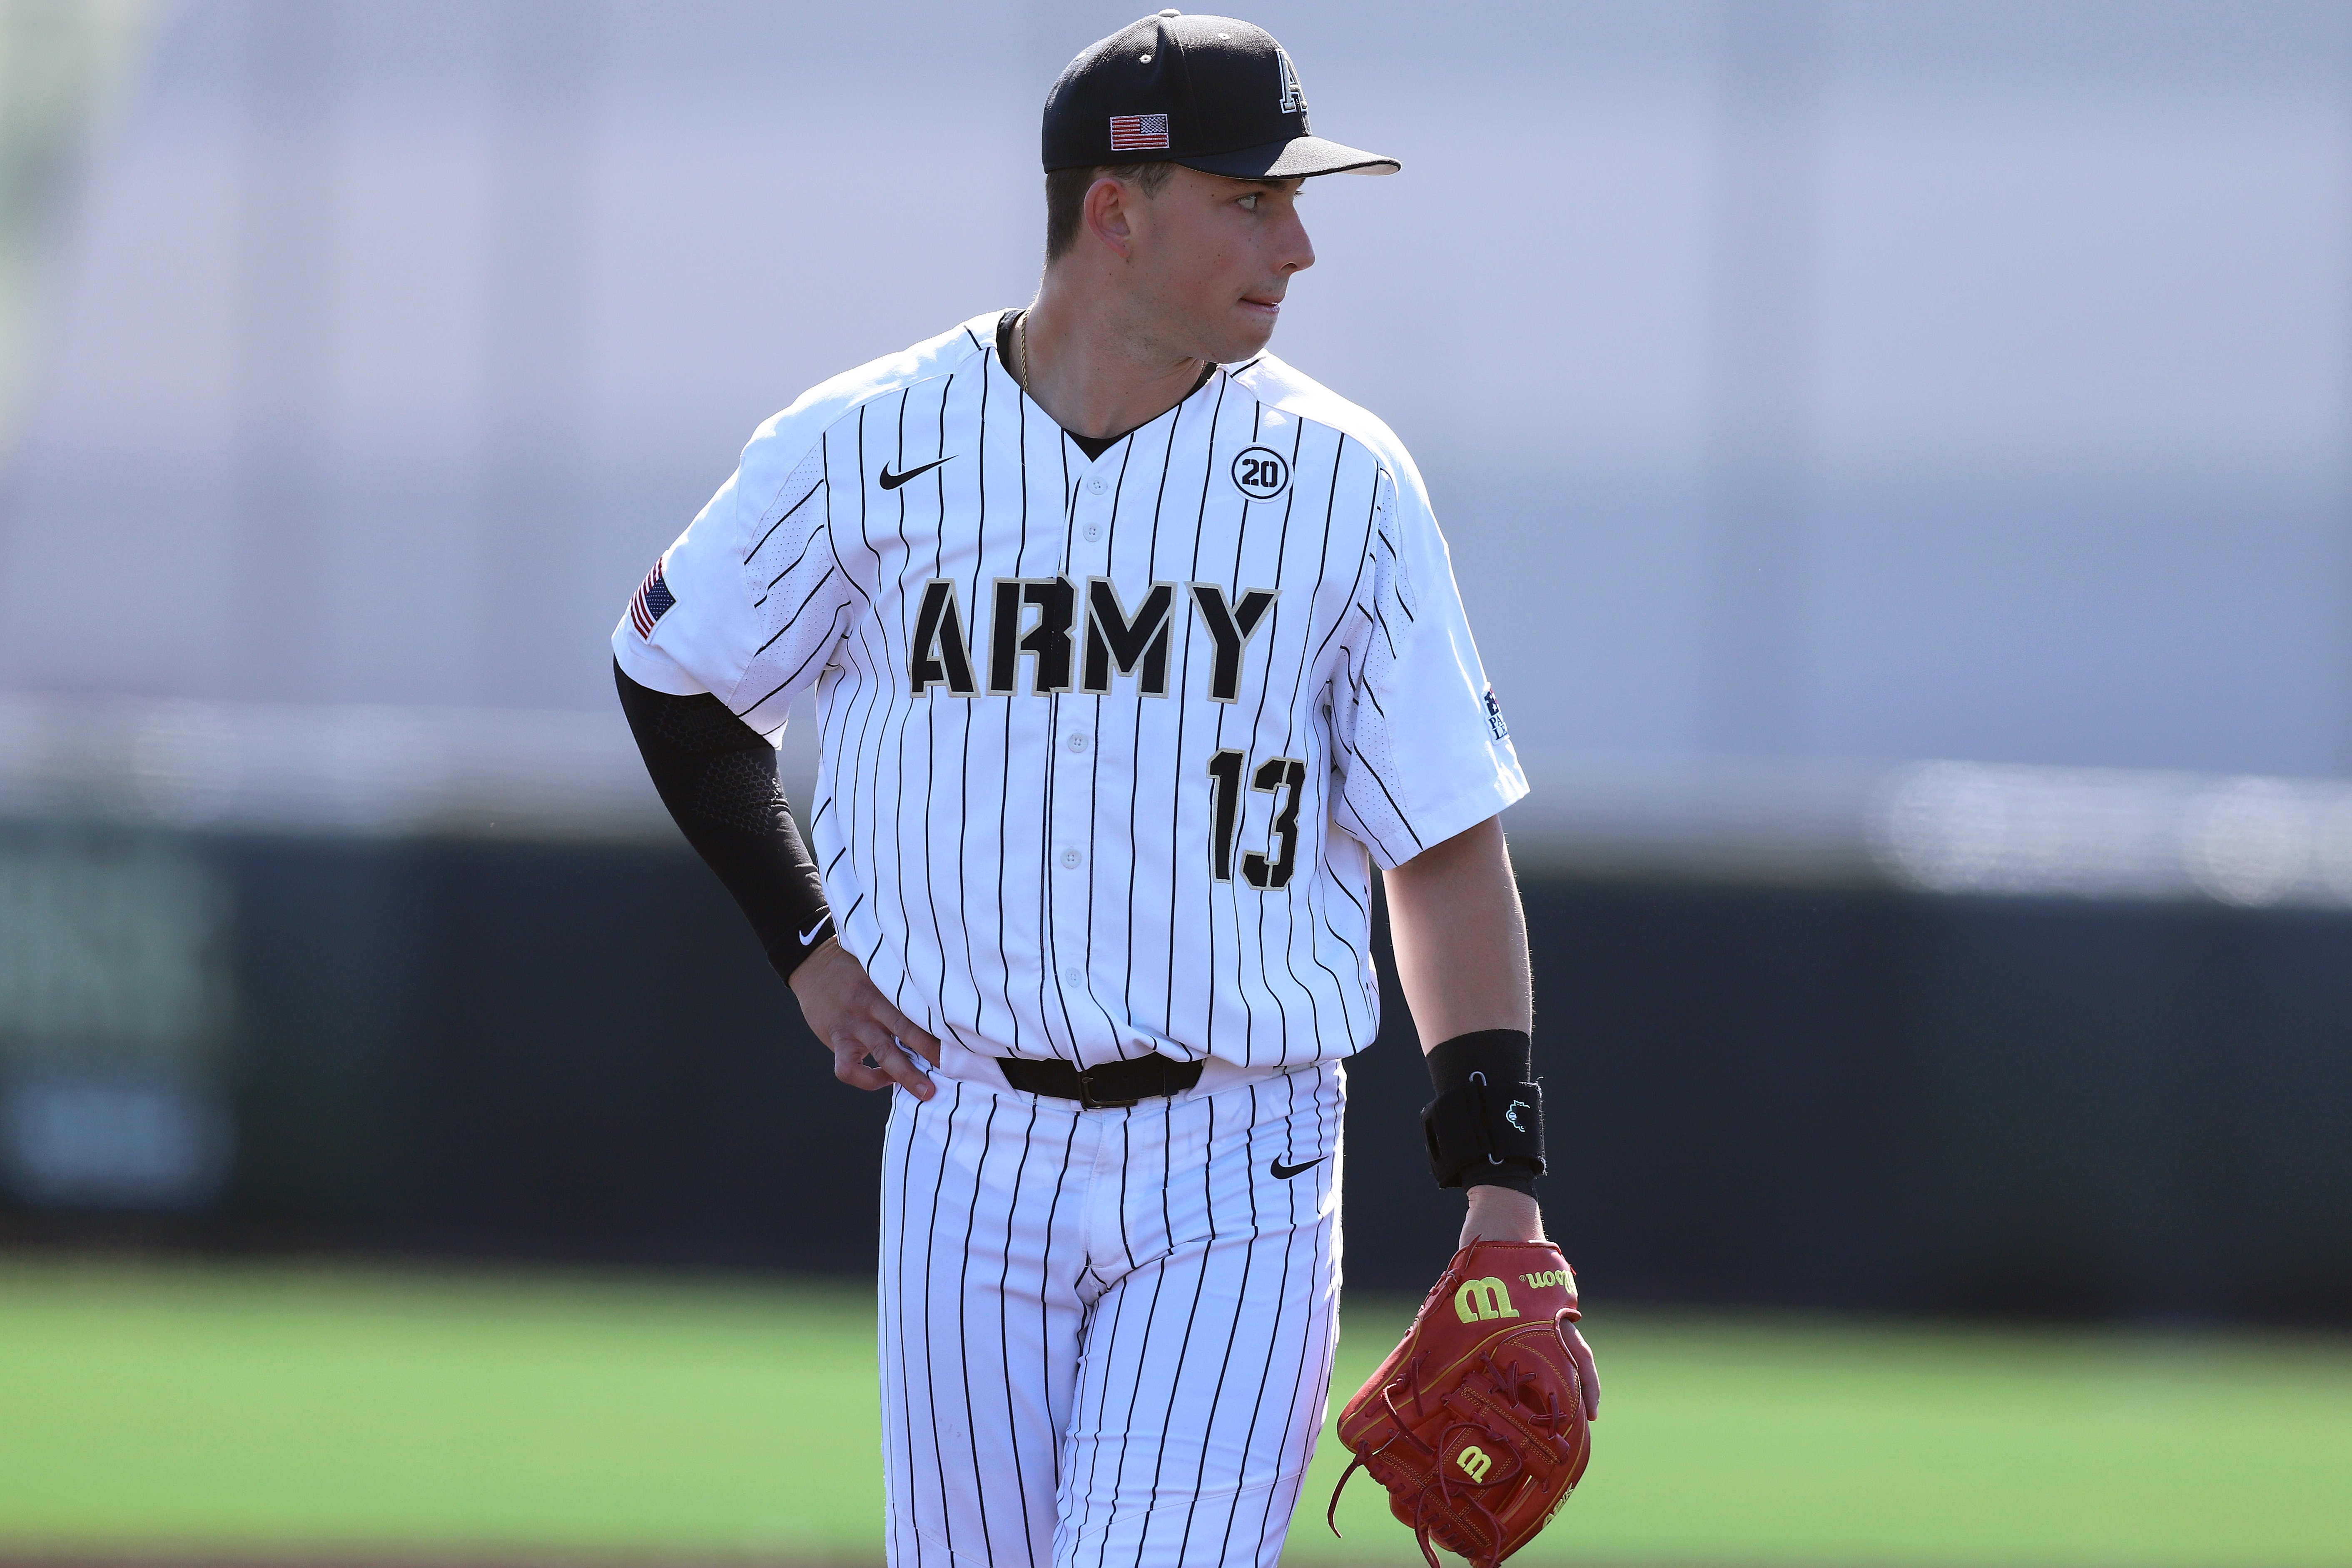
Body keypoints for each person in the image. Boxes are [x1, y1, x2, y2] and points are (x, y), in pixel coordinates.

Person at [612, 12, 1596, 1565]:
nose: (1302, 244)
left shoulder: (1346, 485)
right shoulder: (866, 446)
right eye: (1254, 199)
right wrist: (805, 939)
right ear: (1114, 205)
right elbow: (672, 676)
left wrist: (1502, 1186)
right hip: (963, 1139)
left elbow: (1444, 844)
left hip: (1239, 1159)